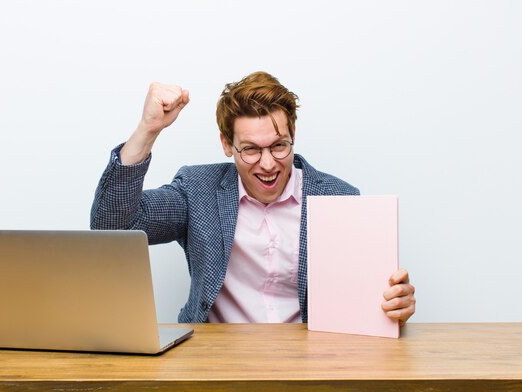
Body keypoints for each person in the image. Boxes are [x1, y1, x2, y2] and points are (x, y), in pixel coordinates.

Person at [91, 71, 416, 325]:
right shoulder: (197, 190)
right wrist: (148, 130)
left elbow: (363, 304)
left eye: (278, 145)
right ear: (226, 144)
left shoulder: (339, 199)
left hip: (309, 364)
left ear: (293, 136)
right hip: (215, 364)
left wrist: (392, 306)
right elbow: (112, 227)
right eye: (250, 149)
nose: (267, 163)